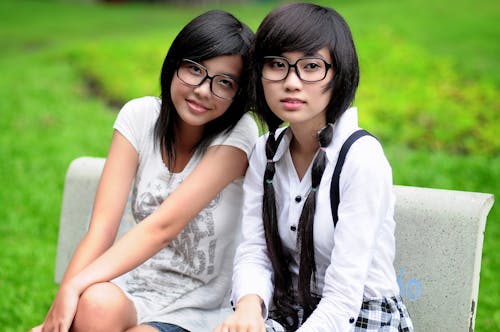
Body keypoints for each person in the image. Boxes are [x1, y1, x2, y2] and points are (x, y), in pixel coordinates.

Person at [32, 10, 257, 332]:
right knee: (94, 304)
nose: (204, 90)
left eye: (224, 82)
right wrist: (57, 311)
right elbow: (101, 229)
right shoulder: (139, 116)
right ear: (173, 65)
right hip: (135, 286)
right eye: (194, 70)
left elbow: (163, 226)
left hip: (200, 304)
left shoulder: (238, 134)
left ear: (238, 94)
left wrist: (72, 286)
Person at [214, 3, 413, 332]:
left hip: (358, 318)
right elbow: (254, 250)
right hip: (289, 311)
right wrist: (249, 308)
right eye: (277, 65)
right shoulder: (265, 153)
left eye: (311, 66)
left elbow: (343, 297)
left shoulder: (360, 158)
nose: (292, 82)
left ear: (339, 74)